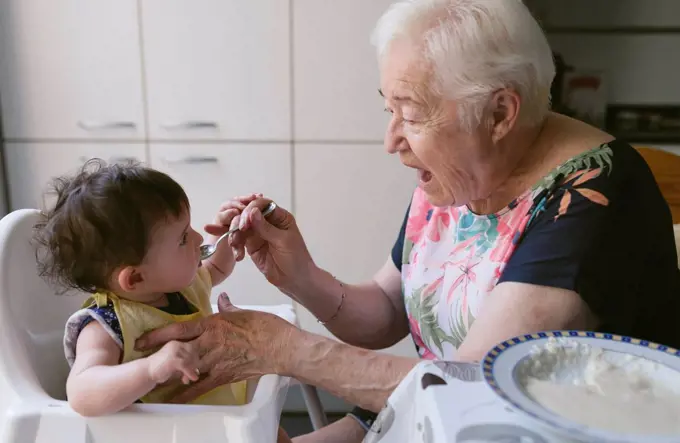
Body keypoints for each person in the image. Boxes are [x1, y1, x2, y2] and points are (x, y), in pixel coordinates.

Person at [134, 0, 680, 441]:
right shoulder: (465, 172)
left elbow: (472, 389)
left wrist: (283, 350)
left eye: (412, 115)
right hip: (417, 417)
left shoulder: (590, 197)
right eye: (387, 109)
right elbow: (388, 311)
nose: (391, 139)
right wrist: (300, 276)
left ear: (499, 113)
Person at [33, 160, 291, 442]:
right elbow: (82, 394)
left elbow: (216, 270)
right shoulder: (105, 327)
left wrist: (228, 234)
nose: (196, 238)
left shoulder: (179, 288)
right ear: (134, 279)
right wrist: (151, 368)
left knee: (272, 434)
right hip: (170, 433)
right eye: (182, 238)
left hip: (222, 412)